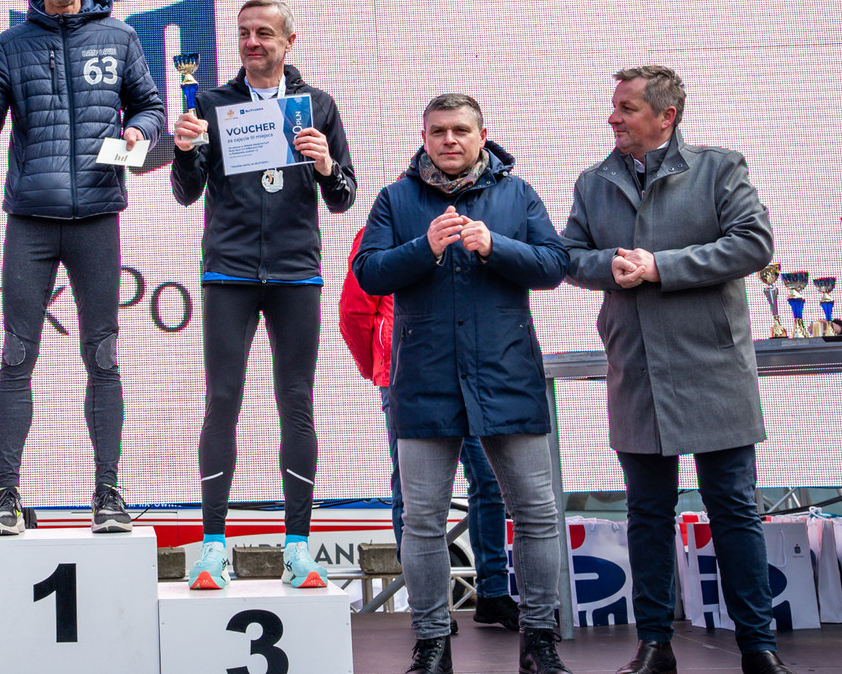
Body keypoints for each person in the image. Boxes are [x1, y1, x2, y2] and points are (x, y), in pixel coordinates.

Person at [561, 66, 792, 674]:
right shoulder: (593, 182)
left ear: (666, 117)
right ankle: (655, 645)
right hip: (636, 366)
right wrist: (609, 266)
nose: (613, 117)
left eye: (627, 107)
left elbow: (753, 243)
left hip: (712, 366)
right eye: (614, 106)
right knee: (647, 514)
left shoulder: (720, 168)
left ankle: (758, 648)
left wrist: (660, 266)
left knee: (733, 508)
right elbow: (569, 256)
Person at [0, 0, 166, 534]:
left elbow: (151, 106)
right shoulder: (7, 43)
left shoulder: (120, 36)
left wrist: (140, 132)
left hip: (97, 216)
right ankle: (5, 497)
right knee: (17, 355)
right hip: (31, 218)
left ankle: (108, 493)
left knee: (102, 356)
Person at [353, 94, 569, 674]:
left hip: (507, 375)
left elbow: (555, 265)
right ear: (424, 137)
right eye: (438, 131)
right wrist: (423, 248)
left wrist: (496, 246)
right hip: (425, 380)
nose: (449, 140)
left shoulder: (517, 194)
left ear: (481, 135)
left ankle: (539, 641)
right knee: (422, 520)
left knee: (537, 514)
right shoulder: (396, 198)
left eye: (460, 130)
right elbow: (368, 272)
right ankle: (431, 644)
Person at [169, 0, 356, 589]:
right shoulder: (211, 103)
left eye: (265, 33)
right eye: (245, 33)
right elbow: (186, 192)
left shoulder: (318, 106)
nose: (253, 42)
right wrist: (184, 151)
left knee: (295, 402)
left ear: (288, 41)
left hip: (296, 273)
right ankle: (212, 548)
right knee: (222, 400)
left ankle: (297, 548)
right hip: (228, 272)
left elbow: (344, 197)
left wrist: (325, 166)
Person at [339, 227, 521, 631]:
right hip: (409, 376)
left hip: (473, 373)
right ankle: (429, 604)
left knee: (489, 479)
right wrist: (380, 366)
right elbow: (353, 311)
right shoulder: (381, 230)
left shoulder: (472, 227)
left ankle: (493, 592)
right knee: (414, 490)